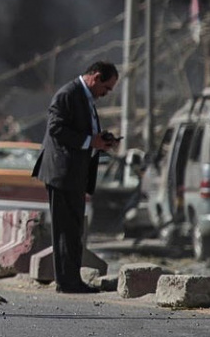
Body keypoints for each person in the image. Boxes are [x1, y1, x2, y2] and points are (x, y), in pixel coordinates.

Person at [31, 61, 120, 294]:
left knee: (74, 229)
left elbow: (82, 131)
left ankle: (72, 279)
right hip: (62, 173)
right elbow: (56, 129)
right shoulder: (68, 94)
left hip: (74, 174)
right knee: (65, 229)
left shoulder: (85, 98)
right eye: (106, 88)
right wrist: (91, 141)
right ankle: (67, 282)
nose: (106, 94)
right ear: (96, 77)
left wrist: (101, 140)